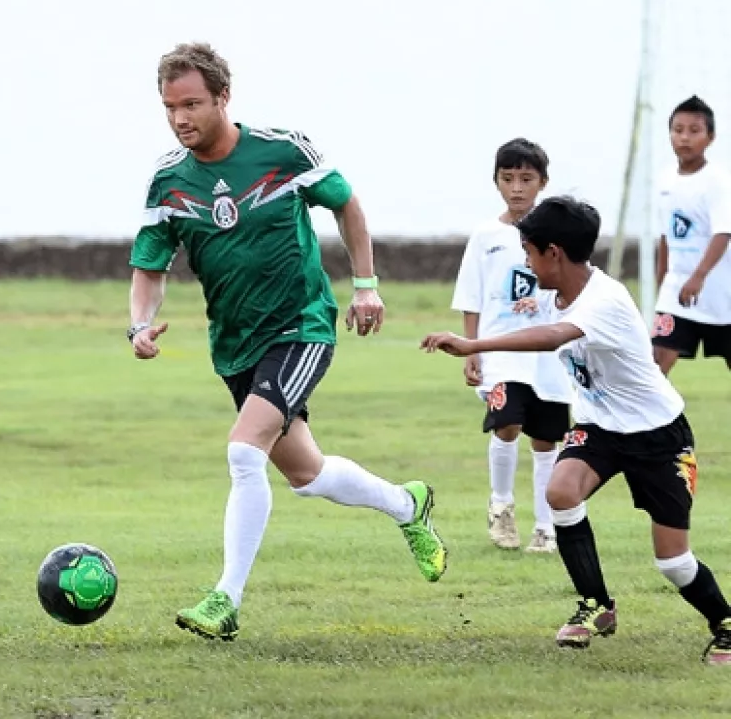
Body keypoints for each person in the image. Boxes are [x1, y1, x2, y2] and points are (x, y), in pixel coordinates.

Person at [128, 42, 447, 642]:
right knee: (308, 474)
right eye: (170, 107)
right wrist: (139, 324)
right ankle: (409, 505)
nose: (180, 118)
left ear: (224, 97)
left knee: (244, 449)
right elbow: (149, 267)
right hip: (235, 346)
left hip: (301, 327)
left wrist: (366, 287)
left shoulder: (282, 151)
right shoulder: (169, 182)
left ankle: (226, 599)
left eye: (192, 103)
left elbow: (347, 205)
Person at [422, 197, 731, 663]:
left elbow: (552, 337)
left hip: (657, 435)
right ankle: (595, 604)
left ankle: (725, 622)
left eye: (528, 252)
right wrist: (482, 351)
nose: (525, 261)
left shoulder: (604, 299)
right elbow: (527, 315)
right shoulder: (552, 292)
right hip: (600, 428)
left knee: (672, 561)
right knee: (561, 491)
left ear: (554, 253)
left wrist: (474, 343)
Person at [450, 139, 573, 554]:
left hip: (549, 356)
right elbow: (472, 296)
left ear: (543, 182)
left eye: (526, 179)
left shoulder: (558, 233)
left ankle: (545, 525)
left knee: (545, 440)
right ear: (496, 182)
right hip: (501, 352)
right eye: (508, 179)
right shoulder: (488, 236)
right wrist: (472, 351)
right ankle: (501, 505)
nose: (517, 188)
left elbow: (573, 288)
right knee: (507, 424)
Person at [651, 96, 731, 375]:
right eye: (678, 129)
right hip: (676, 294)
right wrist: (663, 284)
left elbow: (723, 233)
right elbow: (666, 237)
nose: (684, 138)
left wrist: (698, 277)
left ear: (710, 137)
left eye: (694, 131)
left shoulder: (717, 181)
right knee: (656, 360)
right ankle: (649, 419)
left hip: (720, 294)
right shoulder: (665, 180)